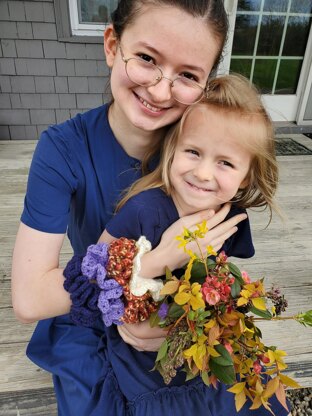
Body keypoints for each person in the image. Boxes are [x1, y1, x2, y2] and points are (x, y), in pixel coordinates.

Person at [9, 0, 286, 415]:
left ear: (207, 82)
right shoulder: (63, 148)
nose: (159, 91)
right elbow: (30, 299)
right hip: (95, 308)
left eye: (188, 75)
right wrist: (143, 274)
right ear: (111, 45)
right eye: (145, 59)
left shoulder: (204, 145)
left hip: (183, 311)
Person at [91, 74, 289, 416]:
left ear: (246, 176)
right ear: (172, 150)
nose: (203, 173)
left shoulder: (228, 216)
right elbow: (96, 269)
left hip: (196, 330)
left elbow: (220, 275)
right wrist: (153, 263)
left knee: (246, 391)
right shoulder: (145, 210)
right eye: (193, 152)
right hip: (142, 339)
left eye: (225, 162)